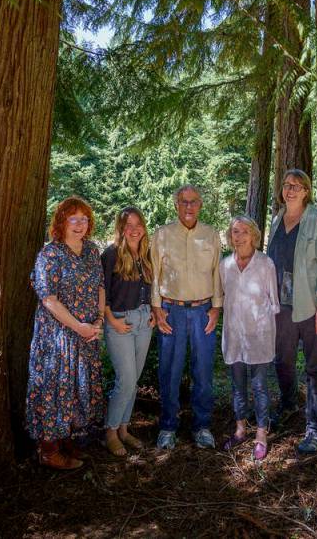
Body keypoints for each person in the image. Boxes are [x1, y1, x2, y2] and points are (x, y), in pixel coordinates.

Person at [26, 196, 105, 470]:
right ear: (61, 221)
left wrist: (97, 322)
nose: (80, 224)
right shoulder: (50, 254)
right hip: (58, 336)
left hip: (86, 334)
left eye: (84, 219)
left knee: (76, 389)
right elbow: (49, 299)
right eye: (74, 219)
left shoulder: (92, 251)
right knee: (55, 388)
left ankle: (68, 440)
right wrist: (79, 327)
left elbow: (100, 287)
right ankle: (48, 450)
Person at [267, 169, 317, 454]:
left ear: (307, 191)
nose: (291, 190)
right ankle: (289, 404)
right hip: (281, 307)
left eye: (297, 186)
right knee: (282, 361)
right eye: (287, 185)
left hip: (312, 306)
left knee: (314, 366)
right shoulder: (276, 220)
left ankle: (315, 425)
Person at [150, 185, 224, 450]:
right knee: (169, 371)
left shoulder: (211, 235)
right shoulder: (162, 234)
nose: (189, 206)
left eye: (193, 202)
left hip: (204, 310)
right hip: (172, 310)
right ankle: (168, 426)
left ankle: (202, 426)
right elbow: (155, 274)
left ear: (200, 205)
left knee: (203, 371)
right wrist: (157, 308)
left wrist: (216, 307)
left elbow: (217, 272)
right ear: (176, 205)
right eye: (183, 202)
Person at [220, 215, 279, 461]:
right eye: (235, 231)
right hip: (234, 335)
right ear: (230, 236)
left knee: (259, 387)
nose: (240, 236)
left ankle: (262, 435)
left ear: (254, 235)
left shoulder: (265, 264)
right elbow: (222, 298)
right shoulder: (224, 265)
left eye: (245, 231)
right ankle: (241, 429)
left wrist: (259, 323)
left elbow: (274, 303)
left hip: (260, 336)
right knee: (237, 387)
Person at [101, 207, 155, 457]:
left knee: (133, 381)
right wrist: (111, 320)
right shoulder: (111, 254)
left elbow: (153, 287)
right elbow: (102, 293)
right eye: (128, 225)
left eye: (138, 224)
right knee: (125, 380)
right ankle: (110, 432)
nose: (134, 229)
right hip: (120, 322)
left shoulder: (146, 253)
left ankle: (124, 429)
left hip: (144, 320)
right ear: (121, 229)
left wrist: (154, 312)